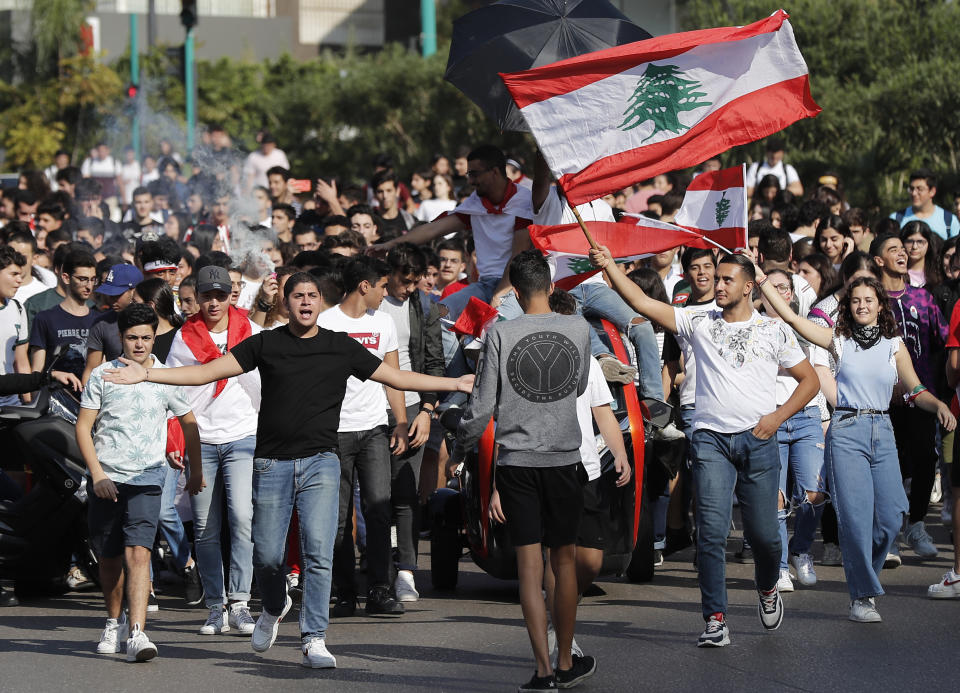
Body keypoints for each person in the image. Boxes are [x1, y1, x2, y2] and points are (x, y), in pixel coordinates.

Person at [103, 272, 472, 669]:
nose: (306, 302)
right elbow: (205, 372)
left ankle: (314, 637)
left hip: (321, 463)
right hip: (271, 464)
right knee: (266, 556)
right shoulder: (266, 343)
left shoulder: (340, 346)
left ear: (321, 302)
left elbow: (396, 377)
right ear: (287, 302)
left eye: (313, 295)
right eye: (298, 296)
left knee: (318, 552)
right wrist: (148, 373)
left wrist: (455, 381)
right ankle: (274, 606)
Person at [590, 247, 818, 647]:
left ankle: (767, 587)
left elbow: (810, 382)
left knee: (765, 537)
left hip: (760, 440)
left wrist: (776, 418)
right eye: (718, 278)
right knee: (710, 534)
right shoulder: (696, 320)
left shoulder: (774, 329)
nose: (718, 284)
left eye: (728, 279)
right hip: (710, 440)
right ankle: (715, 619)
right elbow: (642, 302)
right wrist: (611, 266)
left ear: (749, 287)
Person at [756, 273, 955, 621]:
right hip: (846, 429)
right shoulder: (838, 340)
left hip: (882, 428)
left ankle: (866, 577)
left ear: (881, 305)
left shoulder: (894, 345)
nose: (862, 306)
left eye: (868, 300)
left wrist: (938, 405)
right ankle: (862, 596)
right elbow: (791, 318)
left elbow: (916, 390)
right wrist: (761, 281)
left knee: (892, 518)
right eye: (855, 300)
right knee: (856, 520)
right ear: (847, 306)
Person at [457, 250, 596, 691]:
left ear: (514, 292)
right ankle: (566, 660)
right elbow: (575, 387)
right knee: (566, 562)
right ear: (552, 286)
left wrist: (459, 440)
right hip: (563, 458)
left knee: (530, 569)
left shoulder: (500, 332)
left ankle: (542, 670)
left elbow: (482, 405)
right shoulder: (578, 327)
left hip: (516, 463)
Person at [76, 303, 205, 661]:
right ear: (120, 338)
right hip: (106, 479)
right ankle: (112, 621)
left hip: (149, 477)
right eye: (132, 338)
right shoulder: (102, 374)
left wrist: (195, 470)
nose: (139, 344)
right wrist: (97, 474)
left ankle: (137, 633)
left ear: (153, 338)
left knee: (139, 552)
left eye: (146, 337)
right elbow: (83, 427)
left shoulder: (165, 376)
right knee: (109, 557)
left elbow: (189, 422)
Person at [166, 266, 261, 635]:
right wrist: (176, 441)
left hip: (242, 435)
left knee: (241, 519)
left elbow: (266, 381)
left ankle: (239, 602)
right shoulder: (183, 338)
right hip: (201, 439)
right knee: (205, 527)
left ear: (231, 296)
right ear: (198, 298)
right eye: (207, 296)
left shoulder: (250, 330)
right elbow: (174, 395)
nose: (214, 302)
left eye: (221, 295)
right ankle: (214, 605)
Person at [317, 257, 409, 617]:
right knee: (337, 518)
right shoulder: (325, 322)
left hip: (373, 428)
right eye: (383, 286)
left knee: (378, 510)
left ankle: (380, 590)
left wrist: (400, 422)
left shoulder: (384, 322)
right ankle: (344, 592)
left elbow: (394, 376)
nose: (386, 294)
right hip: (334, 432)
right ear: (364, 286)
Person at [870, 233, 948, 561]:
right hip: (882, 400)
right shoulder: (870, 300)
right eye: (893, 250)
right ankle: (888, 533)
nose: (903, 253)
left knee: (924, 459)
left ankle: (916, 525)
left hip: (921, 395)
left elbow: (943, 339)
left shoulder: (924, 299)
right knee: (890, 466)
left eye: (903, 249)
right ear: (878, 261)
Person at [377, 245, 445, 602]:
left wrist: (427, 411)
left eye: (416, 282)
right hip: (373, 408)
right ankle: (376, 568)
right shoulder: (371, 302)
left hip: (415, 404)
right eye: (405, 282)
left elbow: (435, 362)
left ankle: (406, 570)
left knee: (406, 492)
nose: (409, 289)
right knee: (376, 494)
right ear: (388, 274)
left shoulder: (424, 306)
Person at [758, 269, 828, 592]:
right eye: (771, 287)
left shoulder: (807, 326)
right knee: (776, 498)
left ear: (791, 294)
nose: (778, 292)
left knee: (813, 493)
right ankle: (781, 566)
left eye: (783, 287)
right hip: (770, 418)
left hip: (807, 417)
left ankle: (801, 550)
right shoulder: (753, 327)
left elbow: (818, 373)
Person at [29, 249, 104, 378]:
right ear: (66, 278)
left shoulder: (100, 320)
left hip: (90, 395)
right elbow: (37, 371)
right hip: (55, 394)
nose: (89, 286)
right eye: (83, 279)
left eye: (92, 280)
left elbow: (103, 366)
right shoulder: (45, 318)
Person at [890, 169, 959, 240]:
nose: (914, 193)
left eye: (919, 189)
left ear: (932, 191)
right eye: (911, 188)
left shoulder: (950, 221)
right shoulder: (895, 219)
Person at [0, 246, 29, 407]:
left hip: (12, 404)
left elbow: (21, 360)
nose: (19, 280)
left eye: (21, 275)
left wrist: (28, 402)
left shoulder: (17, 308)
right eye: (14, 274)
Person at [900, 220, 943, 289]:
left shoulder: (939, 273)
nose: (914, 247)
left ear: (929, 244)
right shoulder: (896, 274)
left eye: (920, 242)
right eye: (909, 241)